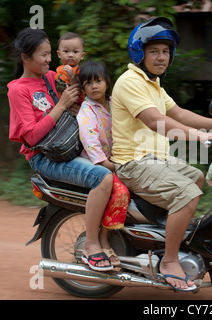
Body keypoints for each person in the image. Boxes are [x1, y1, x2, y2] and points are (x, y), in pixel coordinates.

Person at [111, 17, 212, 291]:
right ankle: (168, 261)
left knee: (197, 177)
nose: (161, 57)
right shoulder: (131, 81)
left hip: (156, 160)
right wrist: (205, 138)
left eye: (166, 51)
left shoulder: (153, 85)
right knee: (187, 193)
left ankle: (166, 239)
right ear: (139, 52)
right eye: (154, 51)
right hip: (134, 162)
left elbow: (178, 113)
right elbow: (156, 122)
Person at [8, 28, 114, 271]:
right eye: (43, 55)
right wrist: (62, 105)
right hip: (43, 157)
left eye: (48, 54)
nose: (49, 60)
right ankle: (91, 245)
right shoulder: (17, 89)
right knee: (104, 177)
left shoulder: (49, 79)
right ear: (25, 57)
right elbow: (32, 136)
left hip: (67, 147)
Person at [77, 61, 130, 266]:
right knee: (122, 191)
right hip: (97, 163)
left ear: (107, 82)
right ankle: (102, 238)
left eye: (98, 81)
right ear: (83, 88)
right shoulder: (87, 110)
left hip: (119, 158)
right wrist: (111, 166)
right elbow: (91, 144)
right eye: (88, 83)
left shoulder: (114, 103)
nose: (94, 86)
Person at [55, 32, 85, 102]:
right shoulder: (59, 69)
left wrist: (72, 76)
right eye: (66, 51)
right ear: (59, 54)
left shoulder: (81, 71)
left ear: (82, 56)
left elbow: (80, 90)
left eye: (75, 52)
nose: (70, 55)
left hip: (76, 103)